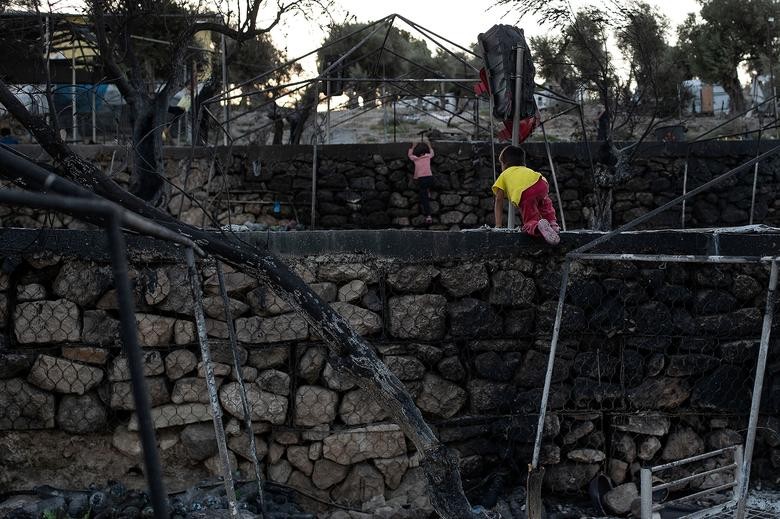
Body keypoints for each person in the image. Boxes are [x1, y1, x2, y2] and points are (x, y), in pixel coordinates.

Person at [492, 145, 560, 245]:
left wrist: (498, 225)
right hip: (541, 182)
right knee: (545, 205)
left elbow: (499, 200)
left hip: (526, 191)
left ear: (504, 164)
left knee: (530, 219)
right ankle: (552, 224)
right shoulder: (526, 170)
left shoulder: (504, 174)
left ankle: (537, 227)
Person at [407, 138, 435, 224]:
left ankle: (428, 216)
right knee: (425, 188)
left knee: (424, 199)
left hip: (422, 179)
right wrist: (428, 144)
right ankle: (428, 190)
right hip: (430, 178)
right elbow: (432, 153)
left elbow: (409, 155)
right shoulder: (427, 157)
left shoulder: (416, 159)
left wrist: (413, 145)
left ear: (418, 154)